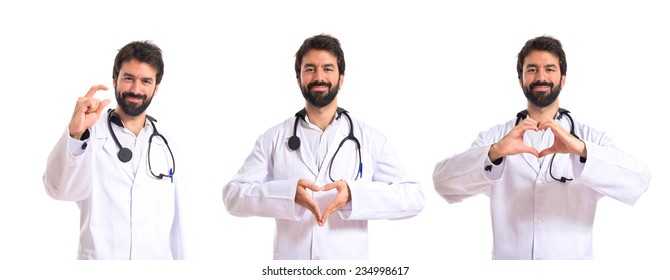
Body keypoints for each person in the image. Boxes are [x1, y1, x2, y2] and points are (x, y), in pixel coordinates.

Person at [432, 35, 650, 260]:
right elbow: (443, 183)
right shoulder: (496, 138)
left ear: (563, 79)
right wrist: (495, 153)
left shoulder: (589, 139)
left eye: (549, 69)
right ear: (521, 79)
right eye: (532, 69)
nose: (541, 77)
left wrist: (582, 151)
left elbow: (639, 181)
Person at [223, 34, 424, 260]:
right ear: (298, 79)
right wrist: (286, 194)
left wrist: (355, 195)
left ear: (341, 78)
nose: (319, 77)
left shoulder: (370, 139)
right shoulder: (273, 138)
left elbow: (414, 197)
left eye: (328, 69)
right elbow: (232, 196)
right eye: (309, 69)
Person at [43, 41, 184, 260]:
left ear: (155, 88)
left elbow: (177, 226)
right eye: (128, 78)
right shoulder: (89, 134)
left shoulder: (166, 146)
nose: (136, 90)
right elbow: (58, 190)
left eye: (146, 81)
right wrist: (75, 133)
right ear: (114, 80)